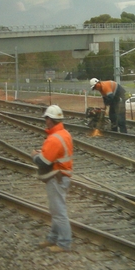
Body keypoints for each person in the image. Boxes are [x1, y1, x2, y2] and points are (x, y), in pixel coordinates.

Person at [32, 105, 74, 252]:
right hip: (62, 176)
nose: (45, 121)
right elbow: (55, 154)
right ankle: (53, 238)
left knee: (59, 211)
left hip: (57, 177)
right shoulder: (64, 133)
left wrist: (35, 155)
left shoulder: (54, 139)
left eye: (46, 118)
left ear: (50, 120)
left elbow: (43, 161)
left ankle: (64, 243)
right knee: (55, 209)